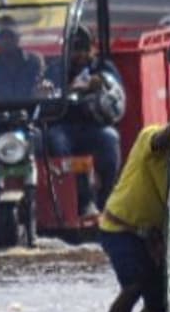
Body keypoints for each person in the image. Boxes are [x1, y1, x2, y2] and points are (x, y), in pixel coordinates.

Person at [100, 125, 170, 312]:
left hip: (152, 237)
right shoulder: (149, 137)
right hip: (120, 229)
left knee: (159, 303)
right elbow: (161, 138)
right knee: (133, 287)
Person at [45, 25, 125, 214]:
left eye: (83, 48)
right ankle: (79, 199)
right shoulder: (56, 69)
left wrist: (100, 84)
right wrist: (49, 91)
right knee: (55, 140)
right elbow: (44, 97)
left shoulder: (103, 67)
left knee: (110, 138)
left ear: (92, 48)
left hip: (94, 126)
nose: (79, 54)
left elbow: (116, 98)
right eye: (74, 49)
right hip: (63, 125)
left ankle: (105, 199)